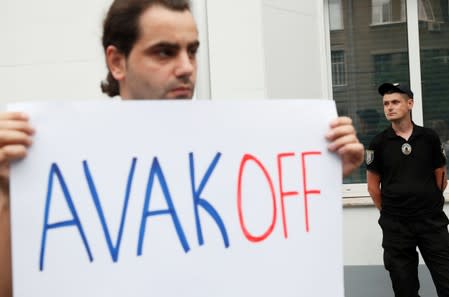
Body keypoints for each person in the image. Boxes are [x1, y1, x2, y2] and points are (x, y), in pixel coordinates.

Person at [0, 0, 364, 296]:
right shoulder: (59, 158)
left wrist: (321, 175)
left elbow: (275, 263)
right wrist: (6, 194)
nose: (186, 67)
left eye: (192, 51)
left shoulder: (240, 151)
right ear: (117, 61)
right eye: (164, 53)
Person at [367, 82, 449, 297]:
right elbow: (373, 186)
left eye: (395, 102)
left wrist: (428, 200)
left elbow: (440, 176)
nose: (389, 107)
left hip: (431, 222)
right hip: (396, 226)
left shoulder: (429, 137)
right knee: (404, 287)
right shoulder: (378, 143)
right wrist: (389, 212)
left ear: (410, 103)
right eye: (386, 103)